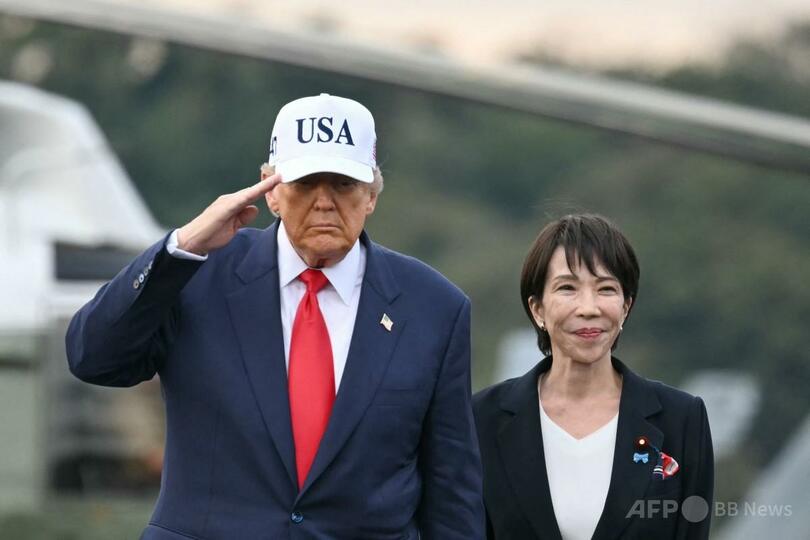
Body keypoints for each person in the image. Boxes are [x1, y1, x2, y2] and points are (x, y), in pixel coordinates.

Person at [66, 93, 484, 539]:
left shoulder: (433, 307)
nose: (324, 202)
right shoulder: (196, 272)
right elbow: (94, 357)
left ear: (371, 196)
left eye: (343, 184)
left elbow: (451, 489)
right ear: (270, 191)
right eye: (305, 183)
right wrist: (180, 247)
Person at [473, 214, 713, 540]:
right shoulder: (482, 419)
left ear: (626, 306)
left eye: (606, 289)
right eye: (567, 288)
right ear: (537, 309)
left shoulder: (680, 419)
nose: (589, 308)